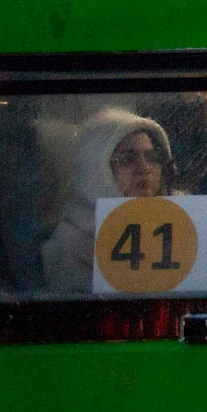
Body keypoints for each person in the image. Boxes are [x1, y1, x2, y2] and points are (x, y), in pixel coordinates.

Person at [41, 107, 176, 295]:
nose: (144, 168)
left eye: (152, 157)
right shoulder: (69, 247)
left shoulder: (182, 221)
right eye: (128, 159)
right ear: (95, 169)